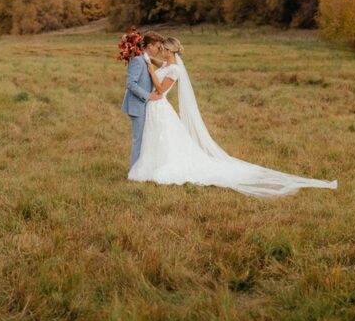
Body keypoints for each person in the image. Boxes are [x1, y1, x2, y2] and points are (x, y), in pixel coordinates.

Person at [127, 36, 337, 198]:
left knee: (165, 139)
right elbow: (157, 62)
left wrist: (149, 69)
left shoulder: (174, 70)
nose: (160, 52)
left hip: (160, 104)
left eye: (162, 50)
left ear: (170, 51)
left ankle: (161, 167)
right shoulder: (167, 64)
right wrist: (146, 58)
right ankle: (151, 164)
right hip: (156, 108)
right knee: (157, 139)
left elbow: (161, 89)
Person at [121, 31, 165, 170]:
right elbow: (131, 83)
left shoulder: (147, 59)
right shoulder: (138, 60)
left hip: (145, 106)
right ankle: (134, 172)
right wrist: (148, 96)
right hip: (137, 106)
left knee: (145, 139)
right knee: (139, 140)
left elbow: (167, 66)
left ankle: (142, 169)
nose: (159, 50)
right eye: (158, 47)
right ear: (150, 46)